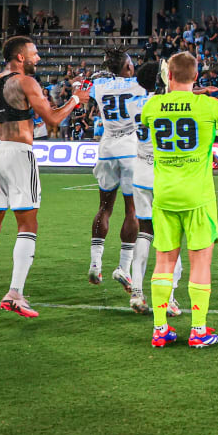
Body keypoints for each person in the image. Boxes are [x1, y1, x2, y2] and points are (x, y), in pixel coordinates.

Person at [0, 37, 88, 318]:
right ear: (20, 57)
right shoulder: (26, 82)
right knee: (27, 224)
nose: (38, 59)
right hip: (18, 154)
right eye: (34, 54)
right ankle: (15, 293)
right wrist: (75, 100)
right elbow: (54, 120)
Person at [142, 52, 218, 348]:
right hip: (197, 195)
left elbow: (166, 105)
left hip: (164, 194)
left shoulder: (152, 106)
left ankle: (160, 329)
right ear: (196, 75)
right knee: (200, 263)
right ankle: (198, 330)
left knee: (164, 262)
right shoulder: (208, 105)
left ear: (169, 75)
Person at [127, 61, 182, 316]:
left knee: (144, 233)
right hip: (164, 173)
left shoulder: (133, 103)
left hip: (140, 173)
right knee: (171, 235)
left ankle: (137, 291)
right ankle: (169, 297)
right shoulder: (166, 105)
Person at [87, 47, 144, 292]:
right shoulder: (138, 86)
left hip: (107, 147)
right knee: (132, 210)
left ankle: (95, 263)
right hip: (131, 149)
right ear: (128, 67)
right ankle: (124, 268)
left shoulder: (99, 86)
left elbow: (86, 92)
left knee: (104, 207)